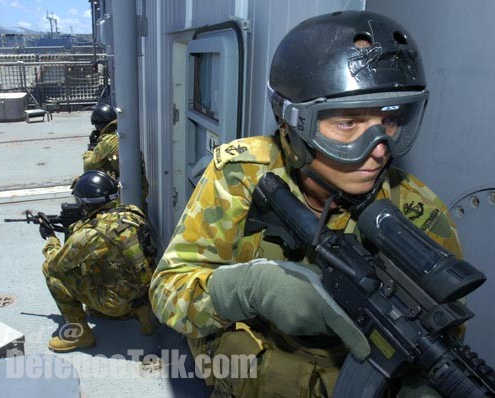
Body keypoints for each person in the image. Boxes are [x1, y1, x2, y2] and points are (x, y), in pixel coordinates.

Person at [149, 11, 464, 397]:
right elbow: (168, 291)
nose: (379, 149)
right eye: (348, 124)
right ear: (292, 125)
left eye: (391, 119)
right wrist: (249, 289)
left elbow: (444, 335)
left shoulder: (418, 211)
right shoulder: (243, 175)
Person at [41, 170, 158, 352]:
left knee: (51, 275)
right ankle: (141, 312)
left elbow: (56, 264)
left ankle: (80, 335)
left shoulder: (90, 235)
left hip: (116, 303)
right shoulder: (132, 213)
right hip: (145, 292)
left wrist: (51, 239)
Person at [82, 103, 149, 211]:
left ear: (99, 126)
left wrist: (90, 150)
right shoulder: (122, 134)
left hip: (122, 197)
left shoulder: (108, 141)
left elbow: (89, 166)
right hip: (139, 191)